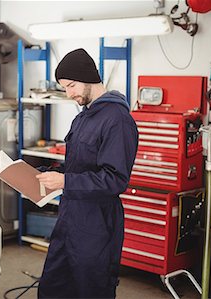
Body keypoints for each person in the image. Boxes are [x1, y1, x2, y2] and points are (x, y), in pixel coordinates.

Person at [36, 48, 139, 298]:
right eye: (65, 88)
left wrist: (65, 181)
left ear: (88, 77)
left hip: (97, 225)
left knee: (92, 290)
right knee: (52, 288)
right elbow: (77, 167)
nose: (70, 94)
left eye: (72, 86)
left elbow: (115, 179)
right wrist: (44, 174)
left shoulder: (117, 119)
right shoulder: (83, 118)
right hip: (69, 219)